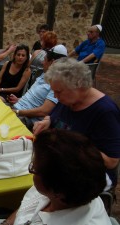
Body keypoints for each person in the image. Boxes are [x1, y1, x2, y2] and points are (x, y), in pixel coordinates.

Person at [0, 129, 111, 225]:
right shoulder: (76, 186)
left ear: (57, 192)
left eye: (33, 168)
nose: (30, 167)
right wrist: (7, 222)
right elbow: (27, 205)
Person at [33, 57, 120, 188]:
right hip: (62, 162)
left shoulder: (105, 111)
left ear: (79, 86)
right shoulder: (69, 100)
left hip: (91, 175)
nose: (55, 96)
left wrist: (70, 147)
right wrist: (46, 121)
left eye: (58, 92)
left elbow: (112, 161)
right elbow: (53, 116)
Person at [7, 44, 67, 130]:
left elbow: (44, 111)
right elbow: (34, 96)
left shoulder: (57, 83)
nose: (42, 63)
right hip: (17, 108)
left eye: (45, 60)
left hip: (25, 118)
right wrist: (18, 99)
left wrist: (18, 112)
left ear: (52, 62)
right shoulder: (44, 73)